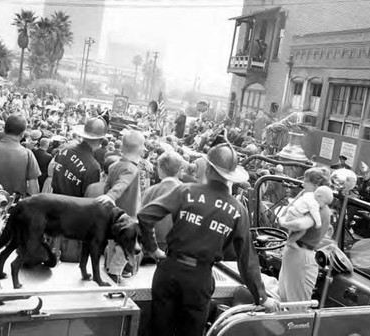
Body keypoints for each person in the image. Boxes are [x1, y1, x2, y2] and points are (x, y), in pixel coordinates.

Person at [138, 142, 277, 336]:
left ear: (209, 168)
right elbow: (247, 260)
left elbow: (145, 216)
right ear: (231, 175)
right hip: (199, 279)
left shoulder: (186, 191)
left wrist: (153, 249)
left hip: (169, 271)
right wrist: (261, 297)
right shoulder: (238, 210)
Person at [278, 166, 331, 303]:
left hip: (301, 255)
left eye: (306, 181)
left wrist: (283, 223)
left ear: (315, 185)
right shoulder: (308, 201)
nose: (302, 184)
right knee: (284, 300)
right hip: (295, 253)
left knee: (296, 306)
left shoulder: (317, 206)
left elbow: (301, 225)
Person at [51, 117, 106, 197]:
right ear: (100, 140)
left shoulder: (64, 149)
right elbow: (88, 198)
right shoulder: (93, 167)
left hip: (53, 201)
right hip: (73, 208)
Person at [141, 151, 184, 251]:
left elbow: (142, 219)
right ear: (179, 169)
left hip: (154, 241)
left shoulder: (150, 191)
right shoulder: (187, 192)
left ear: (159, 168)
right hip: (177, 242)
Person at [96, 130, 145, 218]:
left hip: (113, 213)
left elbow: (107, 187)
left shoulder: (113, 165)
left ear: (122, 147)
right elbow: (123, 183)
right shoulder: (131, 169)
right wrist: (111, 196)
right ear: (141, 150)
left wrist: (108, 196)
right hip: (127, 218)